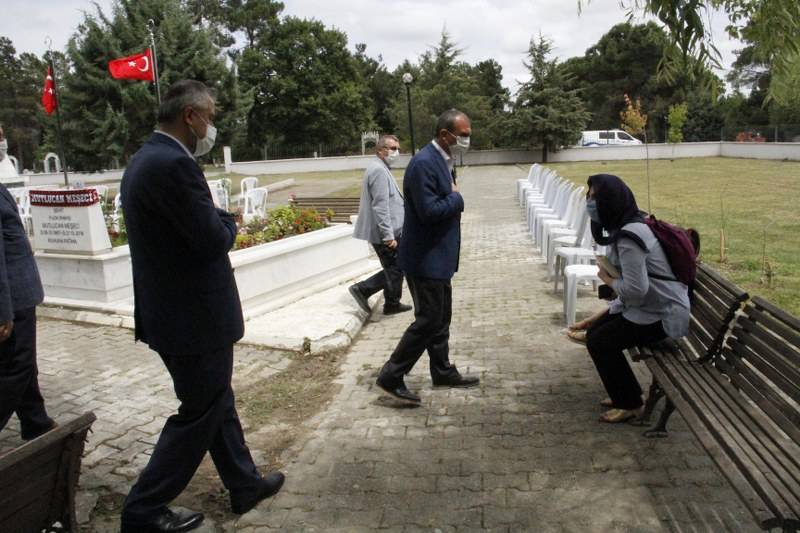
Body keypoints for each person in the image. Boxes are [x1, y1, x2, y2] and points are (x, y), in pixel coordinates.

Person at [120, 80, 284, 533]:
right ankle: (143, 509)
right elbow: (211, 239)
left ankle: (244, 484)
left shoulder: (145, 158)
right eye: (209, 116)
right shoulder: (174, 164)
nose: (211, 126)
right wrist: (228, 222)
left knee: (215, 402)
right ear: (190, 116)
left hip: (172, 314)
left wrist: (215, 219)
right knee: (198, 414)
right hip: (192, 319)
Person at [375, 109, 480, 406]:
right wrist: (457, 199)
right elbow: (429, 211)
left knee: (441, 317)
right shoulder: (424, 163)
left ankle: (442, 370)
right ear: (445, 135)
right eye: (463, 135)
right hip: (425, 258)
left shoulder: (444, 160)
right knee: (428, 320)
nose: (467, 140)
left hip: (438, 257)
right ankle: (391, 376)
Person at [582, 174, 690, 423]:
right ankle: (625, 392)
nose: (590, 202)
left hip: (663, 315)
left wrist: (607, 279)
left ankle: (630, 403)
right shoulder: (626, 226)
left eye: (595, 198)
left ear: (611, 200)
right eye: (588, 197)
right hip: (651, 307)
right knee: (596, 332)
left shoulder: (630, 236)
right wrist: (600, 315)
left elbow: (635, 289)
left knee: (600, 341)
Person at [0, 125, 56, 442]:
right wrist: (2, 310)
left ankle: (35, 420)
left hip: (18, 295)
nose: (3, 141)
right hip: (13, 300)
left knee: (23, 364)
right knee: (16, 368)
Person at [349, 134, 412, 316]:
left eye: (398, 148)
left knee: (397, 268)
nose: (396, 152)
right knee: (395, 269)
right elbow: (380, 206)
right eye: (393, 148)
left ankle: (392, 303)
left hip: (391, 230)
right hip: (384, 232)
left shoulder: (381, 167)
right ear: (380, 150)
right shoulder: (377, 170)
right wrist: (388, 235)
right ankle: (362, 289)